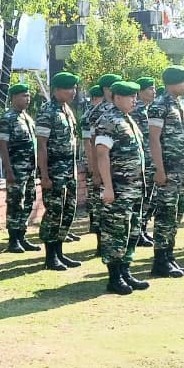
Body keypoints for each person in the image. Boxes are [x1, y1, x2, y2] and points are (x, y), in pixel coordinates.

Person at [95, 81, 150, 295]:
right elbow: (102, 154)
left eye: (135, 96)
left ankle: (126, 272)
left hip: (134, 188)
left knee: (132, 231)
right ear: (117, 97)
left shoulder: (127, 120)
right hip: (119, 189)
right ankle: (114, 277)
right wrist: (108, 187)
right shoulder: (108, 120)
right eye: (130, 96)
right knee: (116, 232)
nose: (134, 99)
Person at [147, 66, 184, 278]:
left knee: (177, 213)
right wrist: (159, 170)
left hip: (181, 171)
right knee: (165, 215)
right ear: (174, 82)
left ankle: (169, 256)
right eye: (183, 81)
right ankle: (160, 260)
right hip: (168, 170)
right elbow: (154, 139)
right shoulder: (160, 105)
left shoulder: (178, 104)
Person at [36, 71, 82, 271]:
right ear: (56, 90)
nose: (73, 92)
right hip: (54, 172)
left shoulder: (67, 110)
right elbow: (42, 146)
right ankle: (50, 256)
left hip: (68, 171)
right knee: (54, 213)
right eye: (68, 88)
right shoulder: (48, 112)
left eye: (74, 88)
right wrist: (44, 175)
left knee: (68, 212)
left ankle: (60, 252)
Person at [0, 82, 39, 254]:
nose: (27, 99)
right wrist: (8, 169)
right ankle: (13, 240)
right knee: (15, 203)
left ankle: (22, 236)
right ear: (14, 98)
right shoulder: (7, 119)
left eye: (28, 95)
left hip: (29, 169)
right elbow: (2, 144)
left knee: (28, 201)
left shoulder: (27, 118)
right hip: (16, 169)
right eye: (23, 96)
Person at [86, 74, 122, 253]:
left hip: (119, 169)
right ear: (107, 89)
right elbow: (93, 144)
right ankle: (102, 244)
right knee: (103, 207)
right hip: (104, 167)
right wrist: (95, 171)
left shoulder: (119, 109)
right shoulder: (98, 112)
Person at [79, 84, 105, 246]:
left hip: (98, 163)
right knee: (95, 199)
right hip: (92, 164)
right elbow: (88, 143)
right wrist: (92, 167)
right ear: (96, 98)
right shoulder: (89, 116)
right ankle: (95, 228)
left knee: (98, 199)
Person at [133, 76, 158, 247]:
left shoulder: (151, 110)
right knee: (142, 198)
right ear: (140, 92)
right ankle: (138, 232)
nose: (154, 91)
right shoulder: (137, 112)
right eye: (150, 88)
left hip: (151, 162)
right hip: (143, 164)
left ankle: (143, 229)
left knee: (150, 199)